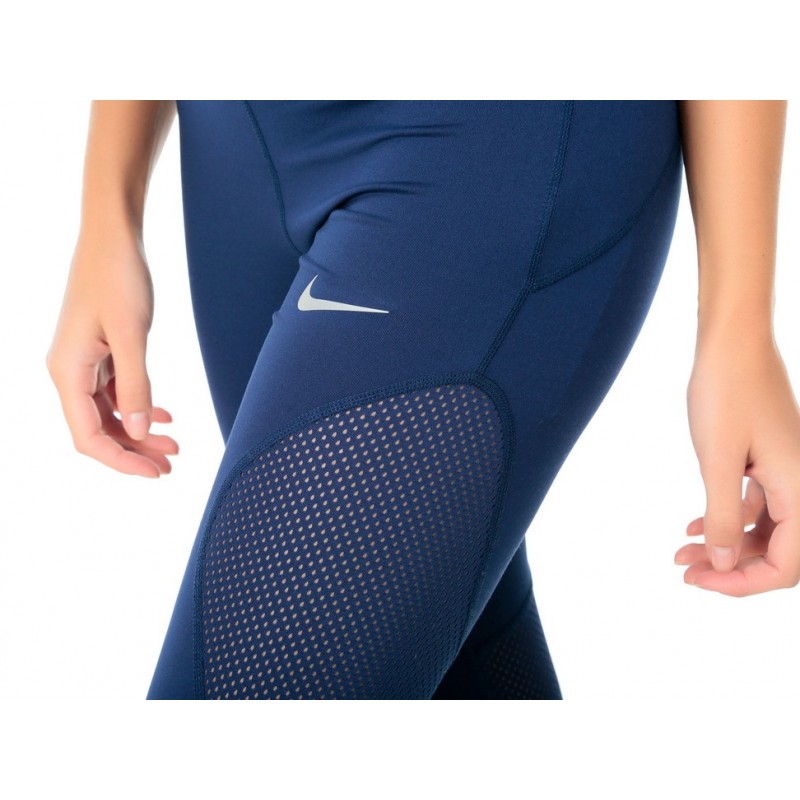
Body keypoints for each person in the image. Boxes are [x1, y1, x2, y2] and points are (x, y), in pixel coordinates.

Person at [45, 100, 799, 701]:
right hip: (236, 134)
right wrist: (108, 206)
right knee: (451, 677)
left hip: (490, 144)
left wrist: (739, 326)